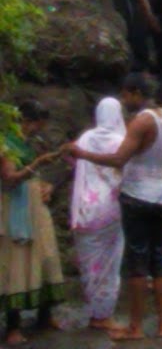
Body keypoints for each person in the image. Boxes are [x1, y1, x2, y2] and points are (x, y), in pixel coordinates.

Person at [63, 72, 162, 342]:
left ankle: (135, 328)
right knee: (159, 260)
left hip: (137, 197)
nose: (125, 101)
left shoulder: (140, 122)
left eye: (126, 95)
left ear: (136, 92)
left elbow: (118, 160)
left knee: (137, 263)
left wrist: (81, 154)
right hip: (161, 194)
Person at [1, 100, 65, 344]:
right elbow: (9, 179)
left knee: (46, 256)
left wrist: (45, 185)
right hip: (14, 209)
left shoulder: (30, 143)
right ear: (24, 121)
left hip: (35, 207)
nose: (37, 129)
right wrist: (37, 164)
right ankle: (13, 326)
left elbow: (33, 176)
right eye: (35, 124)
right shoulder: (6, 144)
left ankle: (44, 314)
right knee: (15, 263)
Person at [70, 96, 126, 331]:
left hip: (84, 210)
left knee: (89, 262)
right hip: (110, 211)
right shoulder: (121, 141)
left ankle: (94, 311)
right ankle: (103, 315)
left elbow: (74, 164)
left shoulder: (84, 138)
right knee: (109, 263)